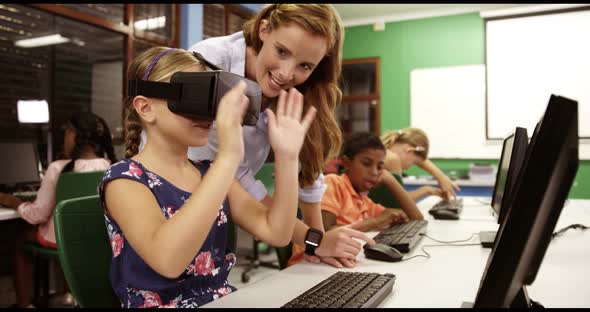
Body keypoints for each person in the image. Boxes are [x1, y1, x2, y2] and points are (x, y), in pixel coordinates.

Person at [139, 4, 373, 268]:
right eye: (281, 51)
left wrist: (317, 241)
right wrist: (315, 240)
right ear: (264, 29)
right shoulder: (209, 64)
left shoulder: (295, 90)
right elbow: (223, 170)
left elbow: (278, 224)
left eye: (305, 65)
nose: (286, 74)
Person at [100, 46, 321, 308]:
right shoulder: (124, 180)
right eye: (194, 97)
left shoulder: (209, 173)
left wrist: (287, 157)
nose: (207, 114)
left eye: (212, 100)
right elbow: (168, 260)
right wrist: (228, 157)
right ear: (146, 108)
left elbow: (277, 232)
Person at [0, 111, 117, 308]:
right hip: (96, 238)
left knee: (19, 239)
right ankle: (68, 295)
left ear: (73, 135)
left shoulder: (58, 169)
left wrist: (14, 202)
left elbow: (38, 215)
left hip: (61, 241)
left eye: (66, 133)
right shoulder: (110, 167)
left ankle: (24, 304)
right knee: (70, 236)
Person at [288, 132, 424, 266]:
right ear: (347, 163)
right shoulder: (333, 184)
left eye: (379, 167)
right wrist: (376, 221)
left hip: (336, 263)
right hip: (308, 263)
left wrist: (391, 180)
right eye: (367, 163)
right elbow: (325, 233)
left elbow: (417, 219)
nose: (374, 172)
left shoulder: (364, 200)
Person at [380, 128, 460, 201]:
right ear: (409, 150)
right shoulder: (393, 159)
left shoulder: (381, 150)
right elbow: (400, 202)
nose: (408, 168)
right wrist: (426, 190)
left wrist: (441, 177)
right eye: (413, 163)